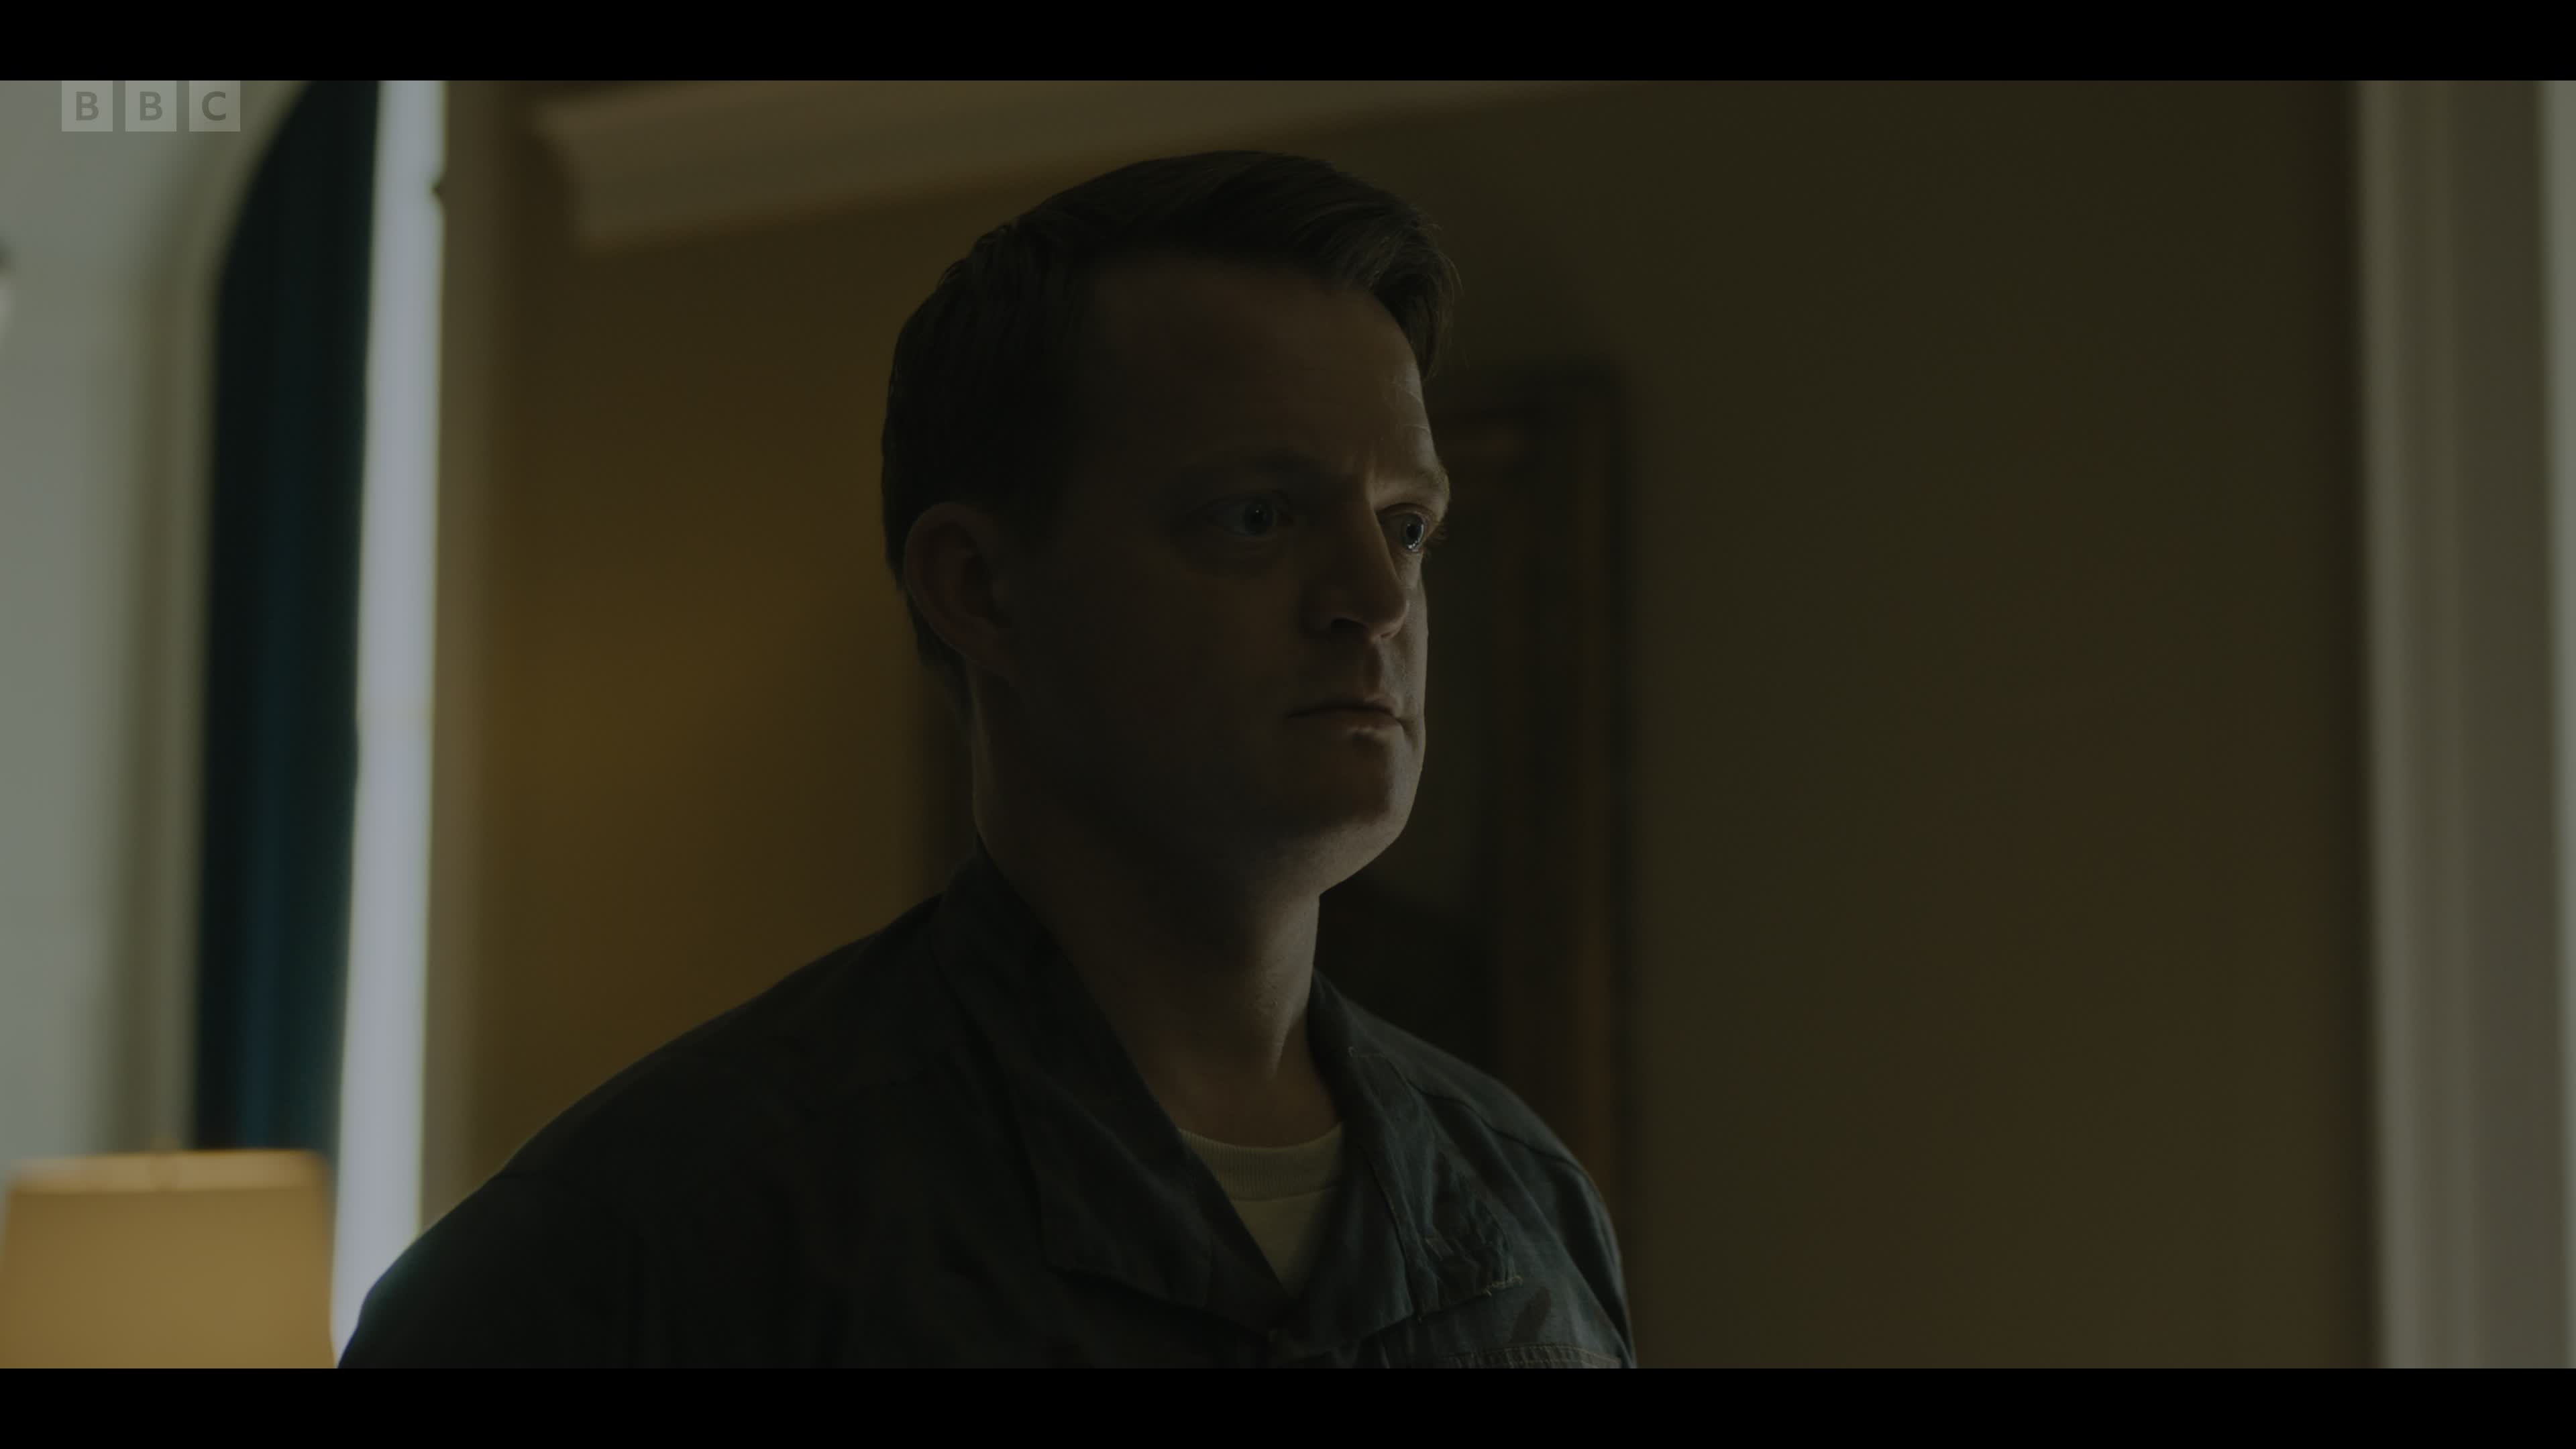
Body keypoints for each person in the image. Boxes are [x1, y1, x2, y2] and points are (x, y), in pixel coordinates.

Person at [339, 150, 1633, 1368]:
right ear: (980, 589)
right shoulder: (643, 1243)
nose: (1378, 598)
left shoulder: (1522, 1202)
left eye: (1406, 527)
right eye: (1257, 515)